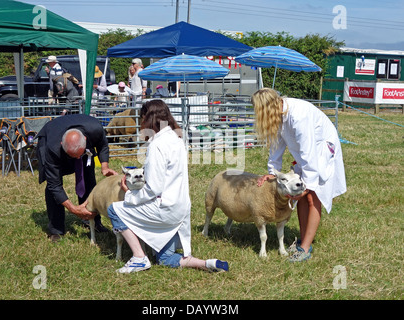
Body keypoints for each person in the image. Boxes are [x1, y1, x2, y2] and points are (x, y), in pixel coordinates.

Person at [107, 99, 229, 273]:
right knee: (164, 258)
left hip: (165, 209)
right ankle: (207, 264)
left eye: (142, 118)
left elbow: (154, 188)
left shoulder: (157, 145)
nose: (141, 123)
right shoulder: (177, 139)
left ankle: (139, 258)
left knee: (114, 209)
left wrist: (129, 195)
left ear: (149, 119)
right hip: (181, 208)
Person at [253, 88, 346, 262]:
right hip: (307, 155)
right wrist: (272, 173)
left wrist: (308, 186)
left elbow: (309, 151)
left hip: (321, 150)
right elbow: (277, 145)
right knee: (300, 197)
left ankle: (304, 248)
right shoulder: (278, 114)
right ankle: (303, 241)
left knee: (312, 196)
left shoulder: (299, 116)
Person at [37, 114, 118, 242]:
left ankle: (93, 221)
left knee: (89, 181)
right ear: (61, 144)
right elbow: (55, 185)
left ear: (85, 139)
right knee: (52, 188)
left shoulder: (95, 129)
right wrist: (73, 209)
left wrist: (105, 166)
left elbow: (102, 145)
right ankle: (56, 230)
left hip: (85, 150)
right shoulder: (52, 148)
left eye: (78, 155)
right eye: (73, 156)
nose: (76, 159)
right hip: (52, 138)